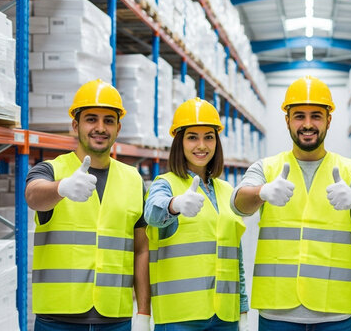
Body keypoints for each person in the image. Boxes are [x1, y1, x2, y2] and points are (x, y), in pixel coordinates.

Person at [232, 75, 351, 331]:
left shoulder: (350, 170)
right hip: (277, 312)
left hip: (334, 313)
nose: (307, 124)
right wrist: (262, 192)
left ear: (328, 119)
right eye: (299, 116)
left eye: (316, 115)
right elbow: (238, 204)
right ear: (287, 120)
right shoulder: (266, 168)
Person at [25, 79, 151, 331]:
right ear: (75, 125)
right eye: (91, 119)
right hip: (57, 320)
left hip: (115, 318)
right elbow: (33, 195)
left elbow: (141, 249)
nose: (100, 128)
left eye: (109, 121)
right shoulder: (52, 169)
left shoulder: (133, 179)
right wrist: (61, 188)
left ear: (118, 128)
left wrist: (144, 313)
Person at [144, 97, 249, 331]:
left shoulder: (228, 191)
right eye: (192, 137)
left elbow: (236, 256)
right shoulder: (165, 184)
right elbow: (152, 213)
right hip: (179, 317)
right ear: (180, 142)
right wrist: (174, 205)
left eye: (208, 137)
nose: (201, 145)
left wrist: (242, 308)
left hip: (224, 316)